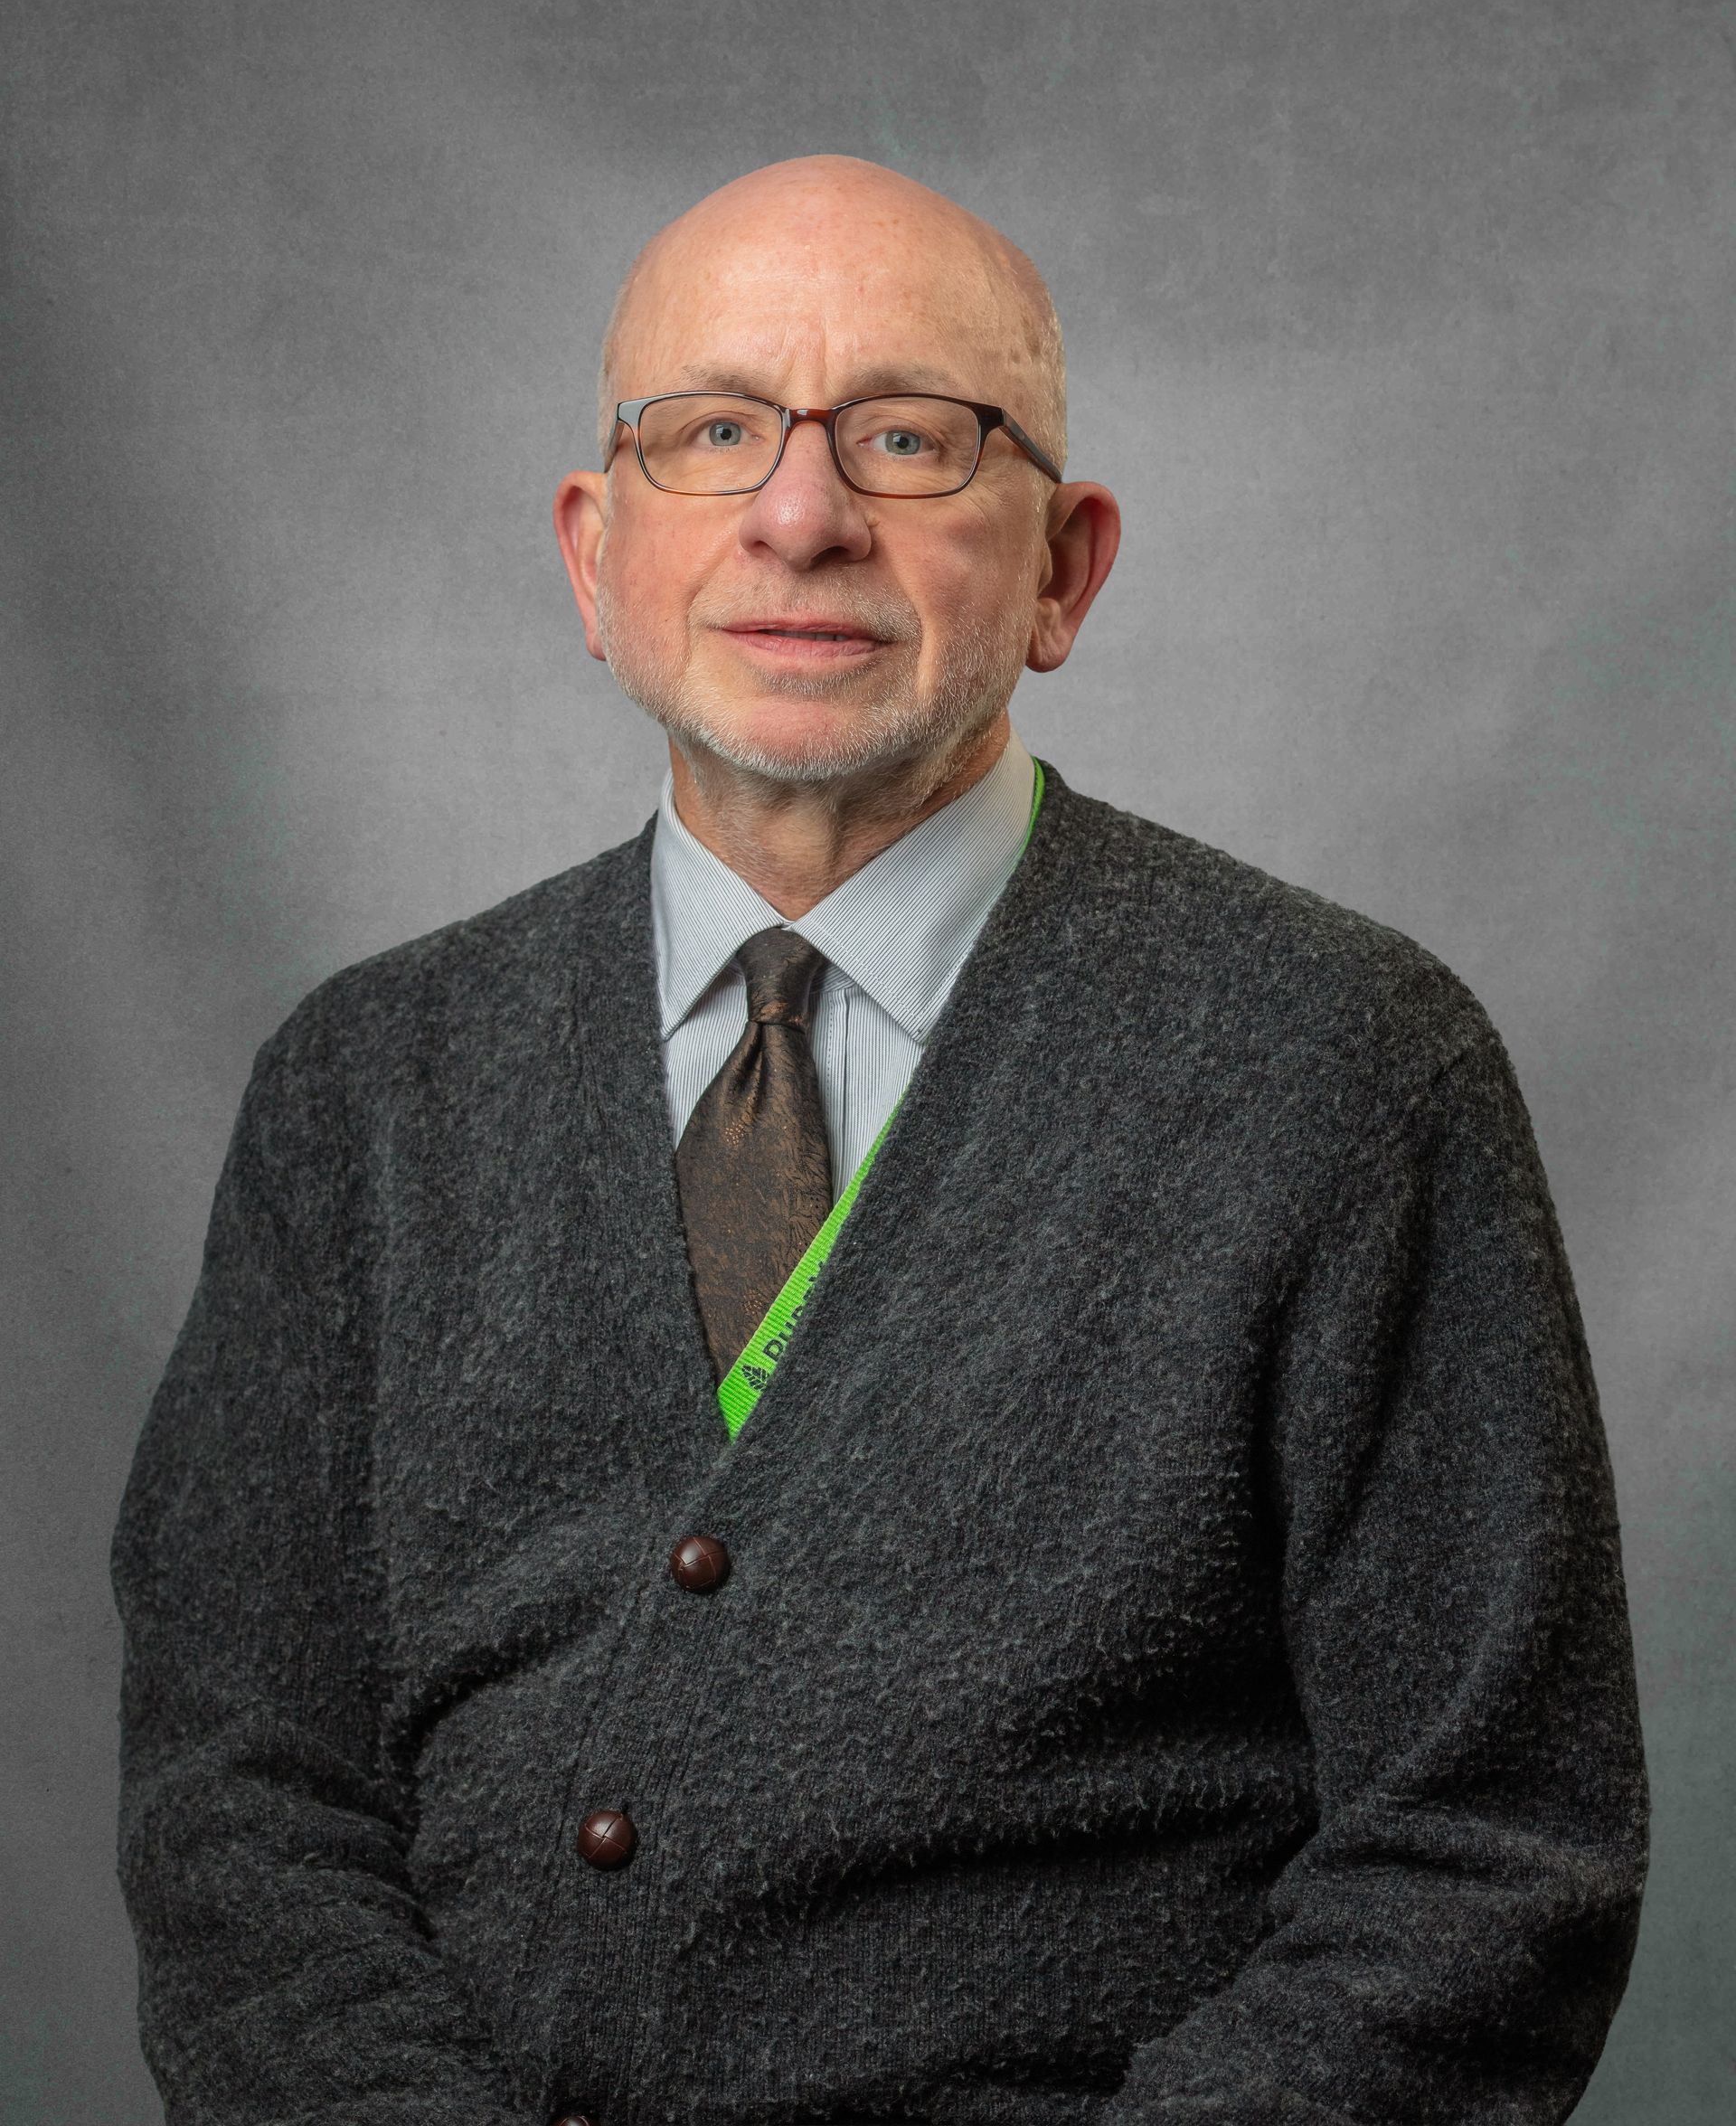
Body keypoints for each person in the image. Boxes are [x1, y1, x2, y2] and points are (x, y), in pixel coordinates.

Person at [111, 155, 1649, 2126]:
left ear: (1066, 568)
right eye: (712, 432)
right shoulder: (363, 1089)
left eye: (911, 439)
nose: (802, 514)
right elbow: (241, 1805)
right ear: (594, 555)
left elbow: (1486, 1852)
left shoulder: (1348, 1069)